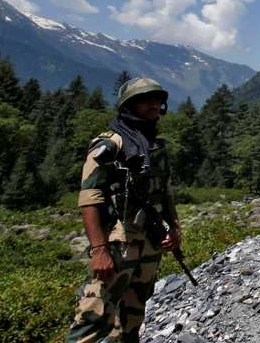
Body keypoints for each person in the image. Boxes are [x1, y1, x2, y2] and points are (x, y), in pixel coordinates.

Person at [66, 77, 182, 343]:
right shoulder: (109, 145)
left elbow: (164, 192)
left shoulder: (155, 146)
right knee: (92, 318)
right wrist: (99, 250)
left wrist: (174, 228)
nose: (154, 105)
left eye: (157, 99)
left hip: (149, 244)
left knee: (132, 320)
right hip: (117, 244)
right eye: (146, 99)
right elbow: (90, 197)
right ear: (129, 105)